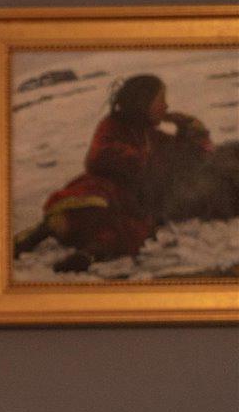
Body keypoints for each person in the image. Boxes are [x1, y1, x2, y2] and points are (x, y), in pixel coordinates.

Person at [13, 74, 214, 272]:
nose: (166, 107)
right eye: (161, 100)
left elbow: (191, 155)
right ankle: (37, 234)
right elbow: (97, 157)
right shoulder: (112, 125)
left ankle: (87, 256)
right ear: (142, 102)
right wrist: (142, 160)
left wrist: (189, 127)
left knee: (129, 231)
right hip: (103, 189)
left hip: (130, 202)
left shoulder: (150, 134)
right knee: (81, 208)